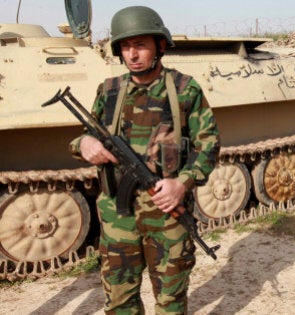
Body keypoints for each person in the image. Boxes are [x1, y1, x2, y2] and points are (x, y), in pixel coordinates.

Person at [69, 6, 220, 314]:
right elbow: (85, 134)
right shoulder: (109, 91)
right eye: (125, 46)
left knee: (170, 301)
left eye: (140, 45)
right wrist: (84, 143)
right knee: (119, 299)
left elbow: (209, 143)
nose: (132, 54)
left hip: (167, 213)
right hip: (117, 215)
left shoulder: (183, 89)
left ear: (159, 46)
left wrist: (183, 183)